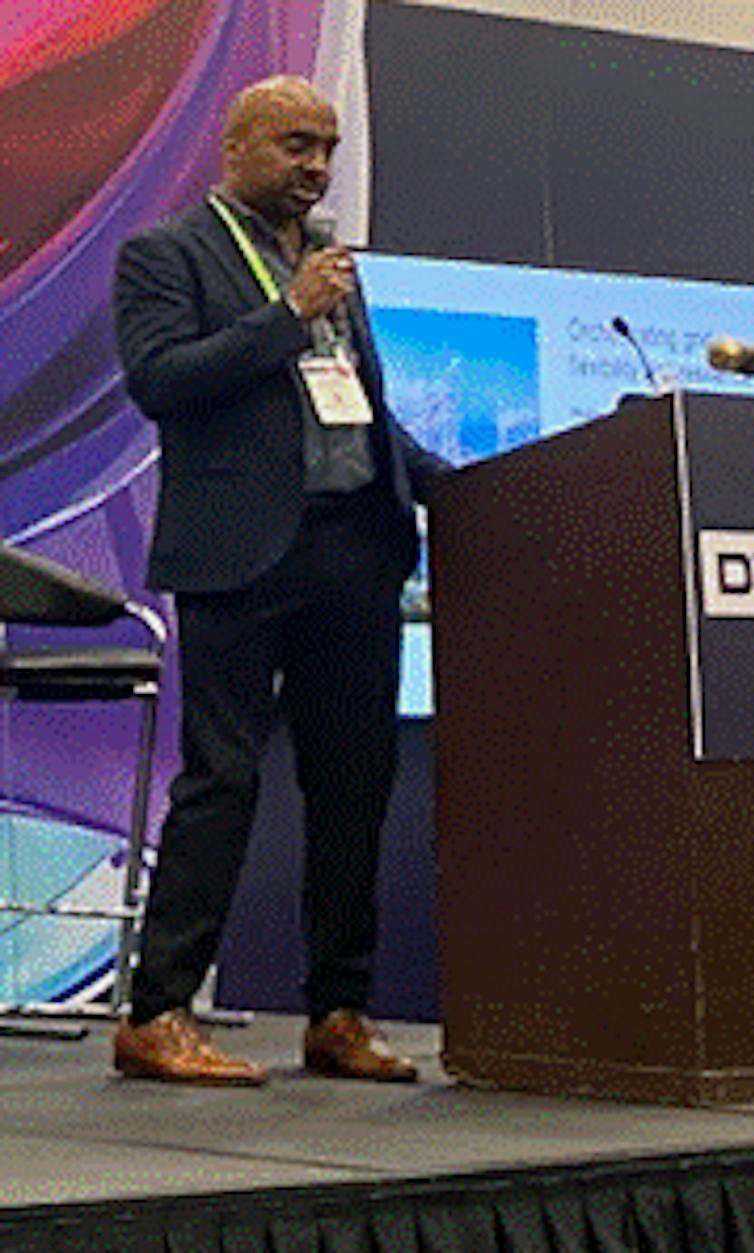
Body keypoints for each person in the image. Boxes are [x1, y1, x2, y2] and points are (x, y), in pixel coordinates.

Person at [111, 75, 449, 1085]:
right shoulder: (166, 253)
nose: (316, 167)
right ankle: (157, 1011)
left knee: (353, 784)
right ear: (236, 146)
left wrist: (460, 486)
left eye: (328, 148)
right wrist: (287, 314)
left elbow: (359, 411)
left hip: (353, 549)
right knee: (222, 779)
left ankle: (337, 1010)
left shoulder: (329, 266)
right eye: (296, 145)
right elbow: (161, 380)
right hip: (239, 552)